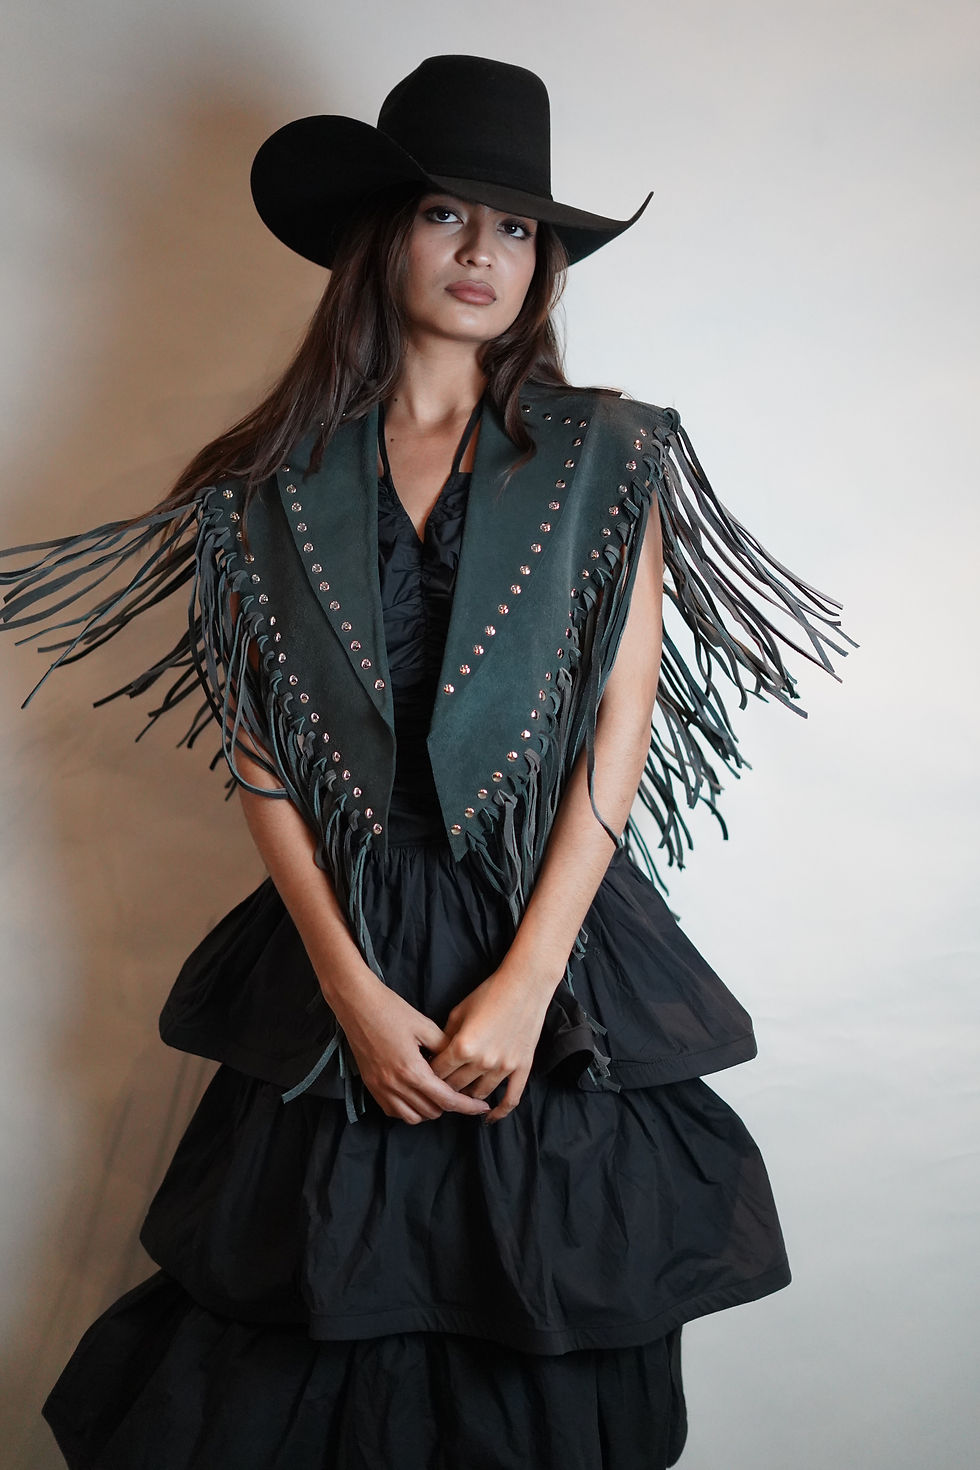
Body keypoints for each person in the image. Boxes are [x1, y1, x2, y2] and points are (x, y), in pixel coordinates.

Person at [0, 54, 853, 1470]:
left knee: (536, 1351)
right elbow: (261, 751)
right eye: (449, 213)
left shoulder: (609, 455)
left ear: (543, 265)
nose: (484, 252)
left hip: (547, 949)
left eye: (517, 227)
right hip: (343, 948)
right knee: (308, 1328)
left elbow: (619, 731)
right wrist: (346, 990)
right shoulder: (263, 479)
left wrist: (526, 986)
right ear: (382, 236)